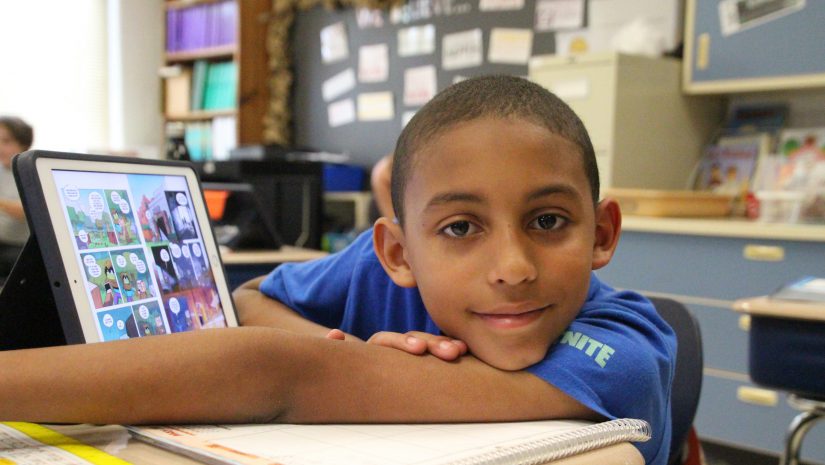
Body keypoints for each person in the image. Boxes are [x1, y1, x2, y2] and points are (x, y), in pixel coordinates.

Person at [0, 76, 675, 465]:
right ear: (397, 252)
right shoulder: (374, 270)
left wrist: (330, 368)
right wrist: (347, 353)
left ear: (602, 232)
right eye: (460, 227)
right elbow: (254, 294)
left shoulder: (624, 350)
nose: (512, 267)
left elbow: (277, 374)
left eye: (548, 221)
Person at [0, 116, 33, 277]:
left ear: (23, 145)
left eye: (6, 142)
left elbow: (23, 211)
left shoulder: (29, 173)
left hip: (17, 249)